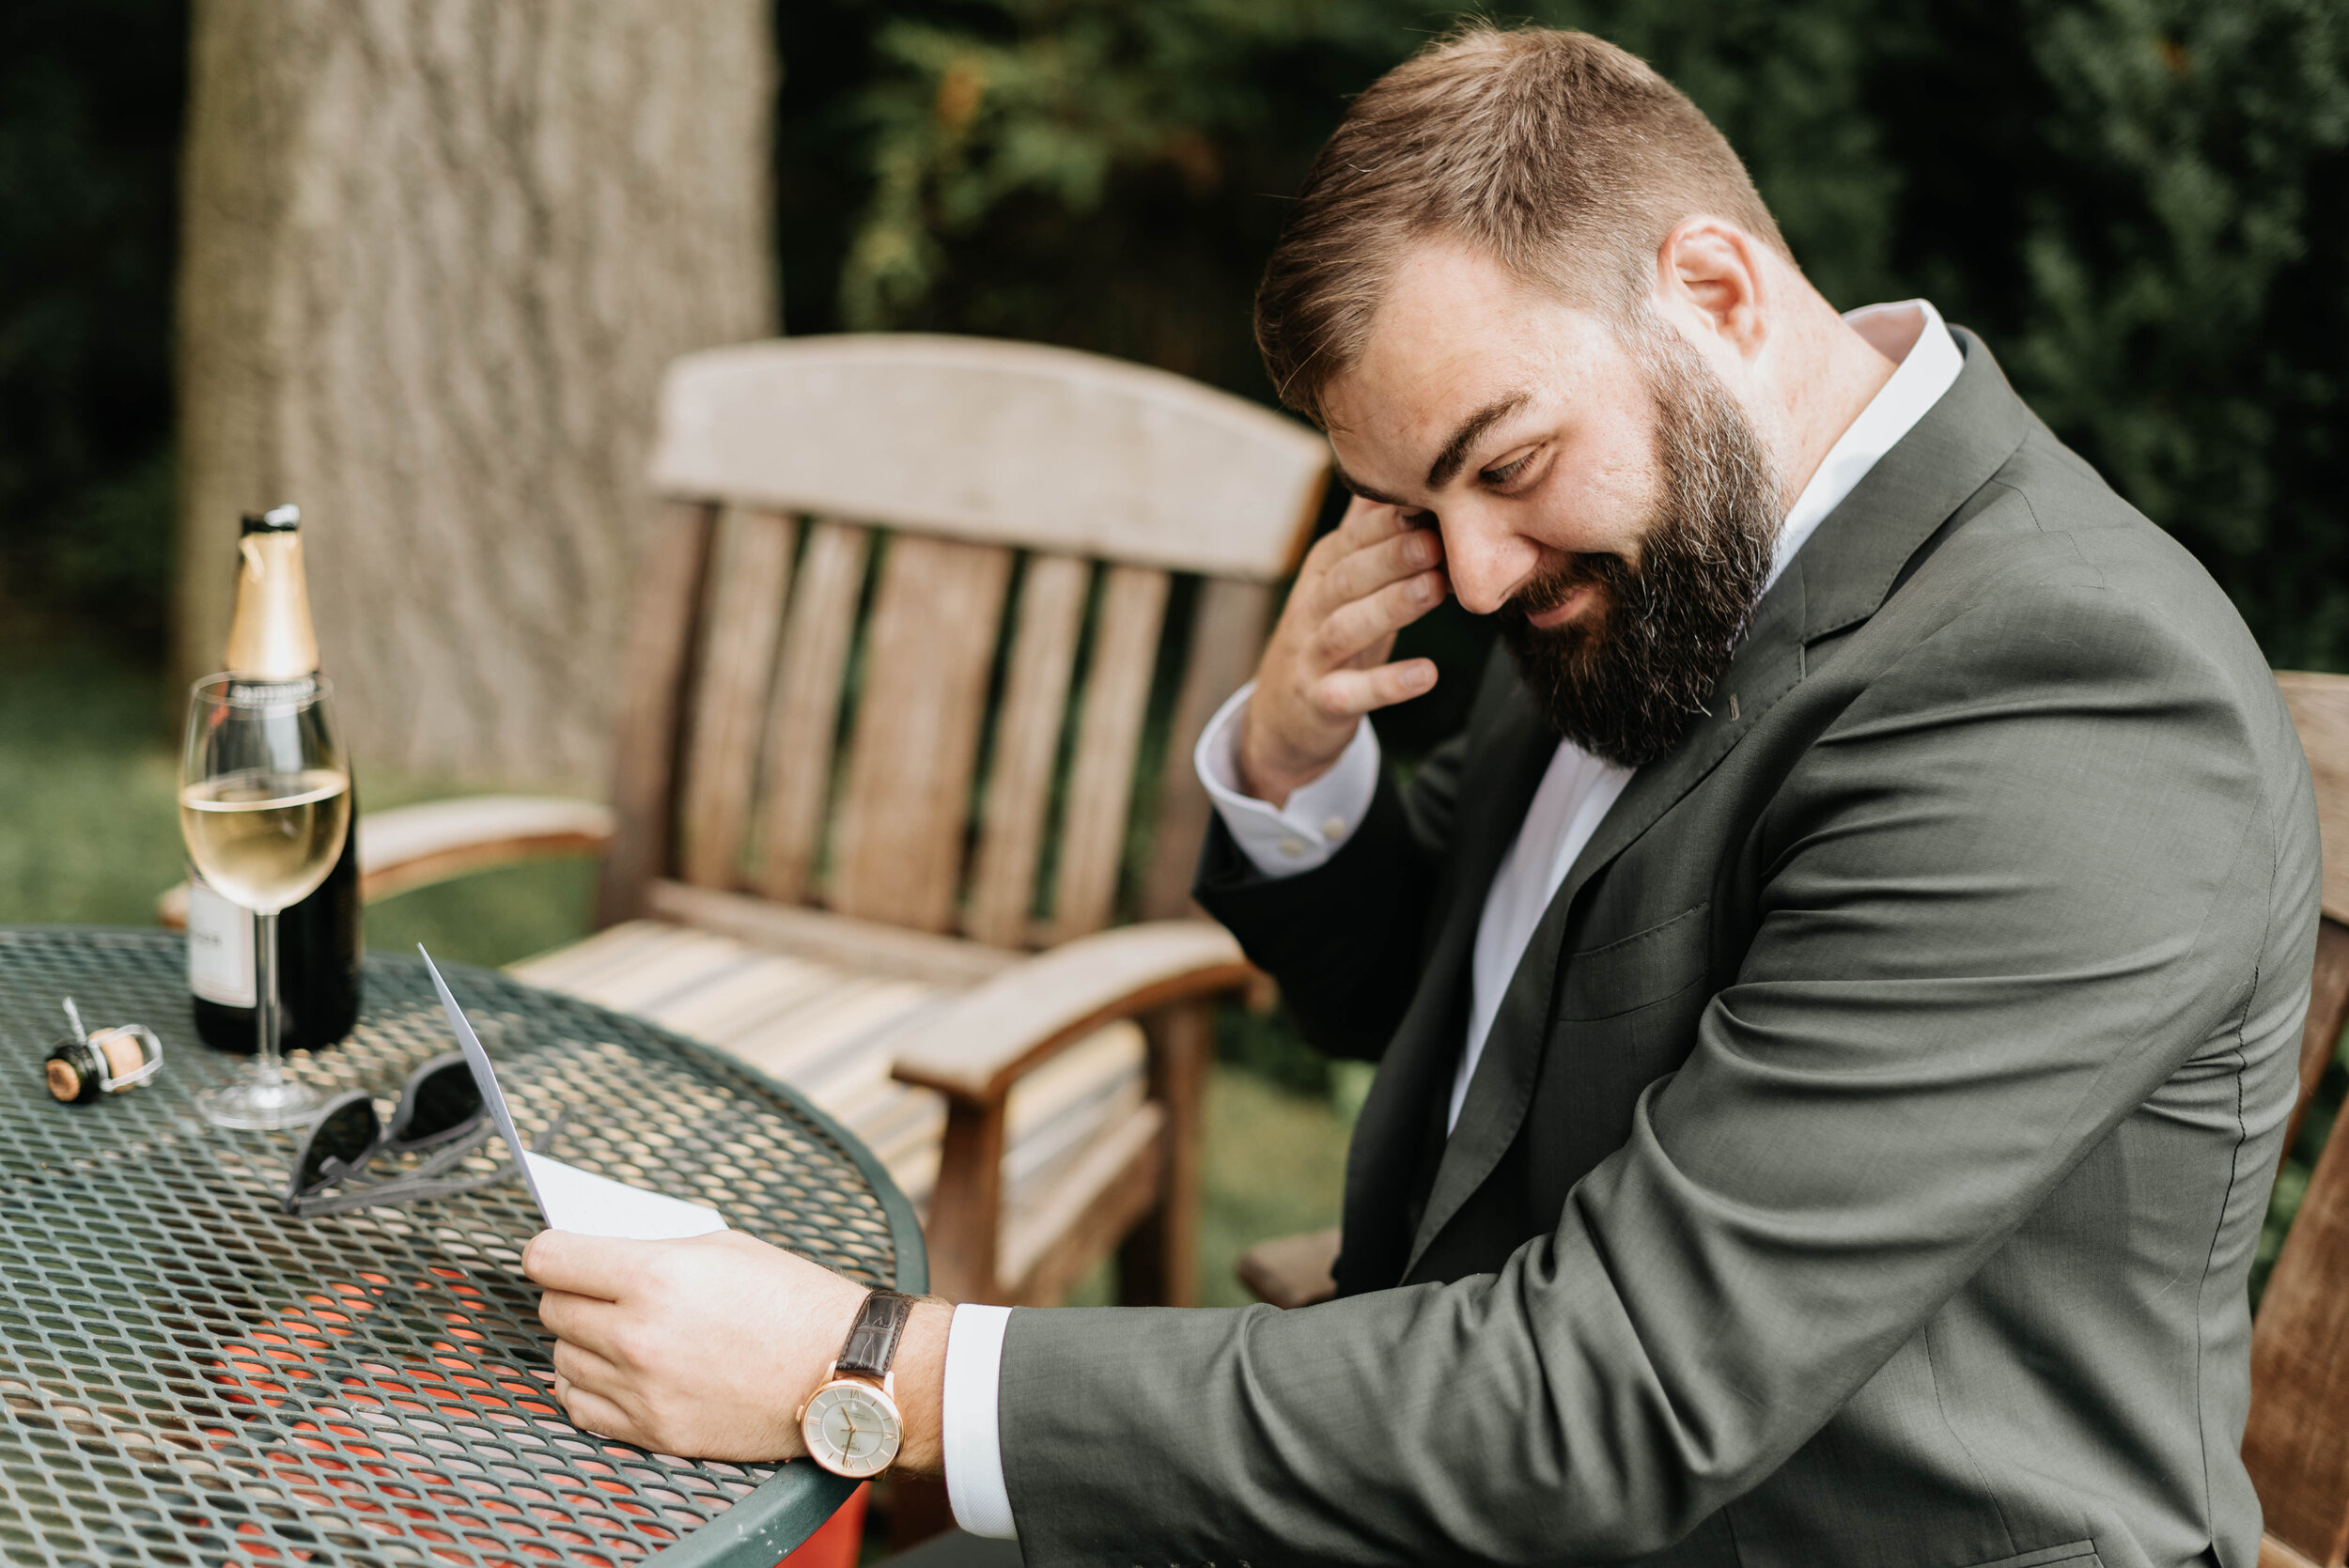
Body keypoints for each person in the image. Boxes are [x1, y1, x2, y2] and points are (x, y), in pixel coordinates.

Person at [522, 24, 2319, 1567]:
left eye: (1504, 467)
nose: (1466, 579)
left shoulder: (2062, 697)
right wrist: (1299, 758)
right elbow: (1433, 996)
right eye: (1407, 507)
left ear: (1712, 290)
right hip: (1430, 1461)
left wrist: (879, 1370)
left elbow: (1614, 1399)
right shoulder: (1671, 554)